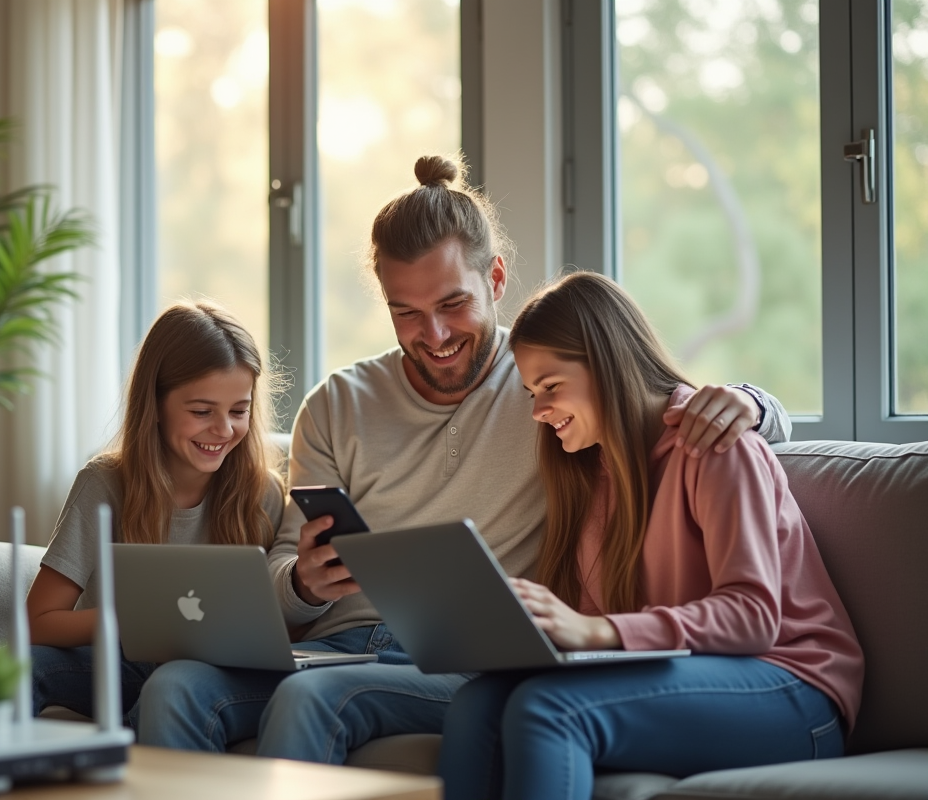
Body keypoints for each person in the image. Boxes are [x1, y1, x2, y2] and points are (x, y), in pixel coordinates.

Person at [136, 155, 792, 761]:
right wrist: (303, 583)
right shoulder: (336, 402)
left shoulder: (548, 387)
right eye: (407, 313)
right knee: (175, 686)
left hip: (470, 655)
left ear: (496, 278)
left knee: (313, 699)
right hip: (336, 645)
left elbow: (648, 402)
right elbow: (284, 567)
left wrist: (753, 402)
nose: (435, 334)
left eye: (453, 304)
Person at [437, 271, 863, 799]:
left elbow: (752, 616)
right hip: (690, 674)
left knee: (548, 709)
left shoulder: (715, 447)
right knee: (477, 705)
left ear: (608, 364)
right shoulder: (591, 475)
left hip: (793, 686)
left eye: (551, 387)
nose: (539, 412)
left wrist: (597, 632)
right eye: (530, 392)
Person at [27, 301, 285, 725]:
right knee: (24, 668)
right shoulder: (105, 483)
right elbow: (38, 622)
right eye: (201, 412)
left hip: (209, 676)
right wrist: (137, 620)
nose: (223, 430)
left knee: (169, 689)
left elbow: (279, 623)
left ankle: (131, 756)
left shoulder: (263, 494)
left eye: (239, 411)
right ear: (156, 404)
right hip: (119, 661)